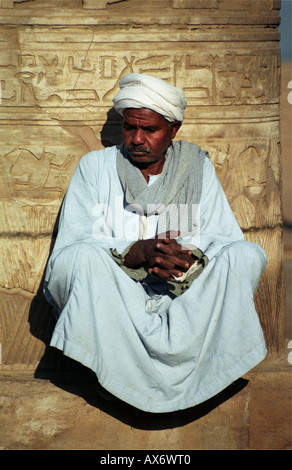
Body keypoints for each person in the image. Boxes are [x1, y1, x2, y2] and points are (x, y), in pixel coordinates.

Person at [44, 73, 267, 413]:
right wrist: (135, 252)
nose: (136, 138)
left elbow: (222, 236)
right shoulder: (96, 167)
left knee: (247, 255)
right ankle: (113, 374)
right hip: (117, 298)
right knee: (82, 259)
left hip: (185, 298)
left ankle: (205, 373)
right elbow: (71, 249)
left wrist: (186, 260)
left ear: (173, 129)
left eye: (149, 130)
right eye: (130, 127)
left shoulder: (197, 168)